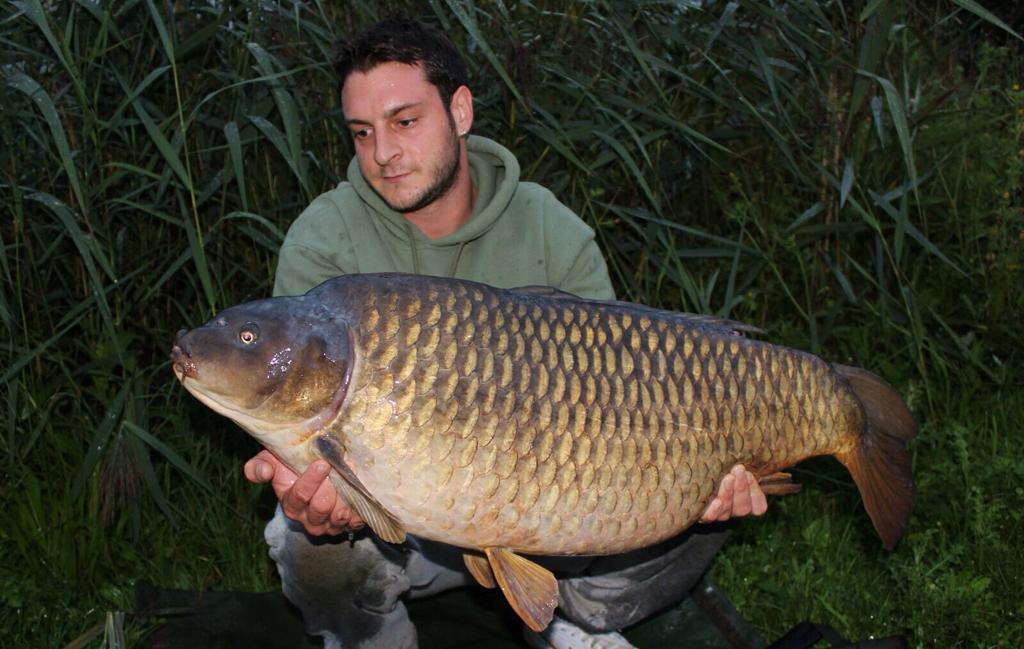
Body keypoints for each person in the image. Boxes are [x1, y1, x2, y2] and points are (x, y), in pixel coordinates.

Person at [243, 16, 767, 649]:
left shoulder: (552, 231)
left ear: (460, 110)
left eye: (404, 122)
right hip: (400, 538)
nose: (382, 152)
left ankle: (570, 621)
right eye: (362, 132)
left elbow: (622, 405)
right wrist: (316, 502)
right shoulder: (324, 241)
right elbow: (299, 426)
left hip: (553, 515)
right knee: (302, 543)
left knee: (693, 506)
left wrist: (696, 476)